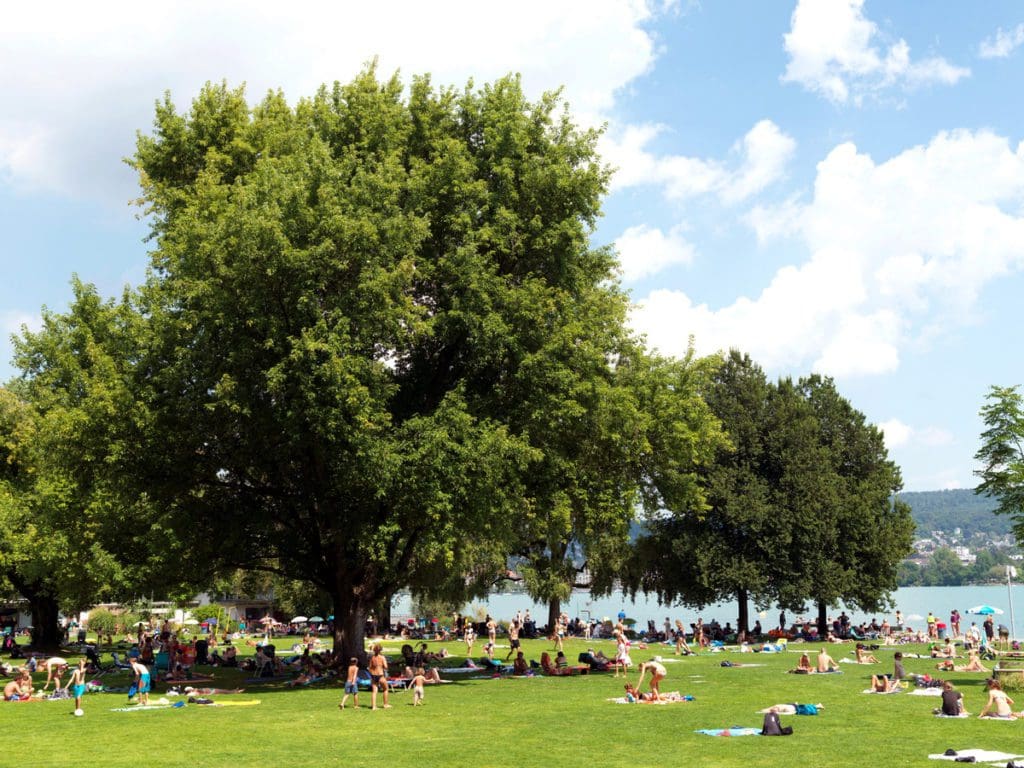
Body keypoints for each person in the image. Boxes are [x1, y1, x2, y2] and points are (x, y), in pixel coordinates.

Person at [368, 644, 390, 711]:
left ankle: (373, 707)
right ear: (380, 649)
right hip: (380, 675)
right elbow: (386, 666)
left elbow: (370, 667)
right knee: (386, 689)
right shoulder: (382, 657)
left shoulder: (372, 658)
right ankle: (385, 704)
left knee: (374, 691)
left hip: (373, 675)